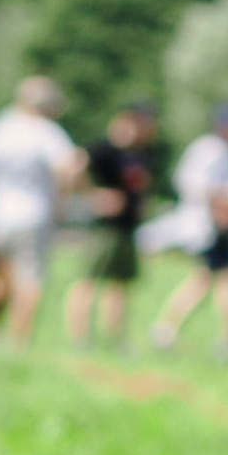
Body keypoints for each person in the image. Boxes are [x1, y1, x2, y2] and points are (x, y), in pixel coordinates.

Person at [0, 74, 80, 345]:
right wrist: (62, 200)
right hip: (34, 213)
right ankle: (19, 339)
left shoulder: (4, 125)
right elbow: (68, 168)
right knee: (30, 278)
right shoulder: (47, 132)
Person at [151, 101, 228, 350]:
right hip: (210, 226)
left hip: (220, 226)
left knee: (209, 281)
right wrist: (223, 208)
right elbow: (198, 186)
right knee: (221, 280)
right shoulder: (209, 149)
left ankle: (169, 329)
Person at [63, 103, 159, 347]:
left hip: (127, 228)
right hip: (104, 228)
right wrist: (92, 195)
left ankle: (115, 337)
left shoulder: (140, 153)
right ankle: (79, 337)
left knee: (119, 285)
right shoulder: (103, 148)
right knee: (88, 281)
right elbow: (73, 169)